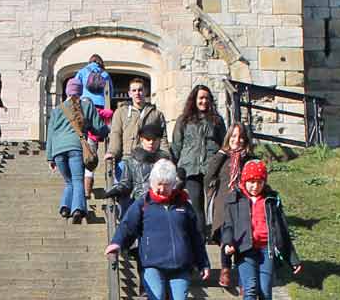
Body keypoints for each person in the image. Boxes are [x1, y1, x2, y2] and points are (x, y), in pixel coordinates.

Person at [106, 159, 210, 300]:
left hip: (180, 266)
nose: (162, 189)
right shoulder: (143, 203)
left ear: (173, 185)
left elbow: (196, 237)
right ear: (152, 183)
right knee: (156, 299)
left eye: (167, 184)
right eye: (158, 184)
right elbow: (128, 226)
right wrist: (117, 243)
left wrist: (203, 263)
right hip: (152, 263)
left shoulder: (184, 205)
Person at [220, 159, 302, 300]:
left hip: (266, 250)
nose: (254, 186)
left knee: (265, 291)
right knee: (250, 288)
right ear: (244, 181)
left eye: (258, 182)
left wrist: (293, 259)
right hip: (245, 251)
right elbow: (228, 226)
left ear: (264, 182)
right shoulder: (235, 199)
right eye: (250, 182)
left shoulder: (272, 200)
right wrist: (229, 243)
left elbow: (282, 229)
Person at [45, 77, 107, 223]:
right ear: (80, 91)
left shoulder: (57, 110)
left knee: (69, 181)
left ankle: (65, 207)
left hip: (58, 150)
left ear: (67, 91)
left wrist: (49, 157)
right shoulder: (86, 105)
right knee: (78, 180)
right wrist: (106, 131)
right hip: (75, 148)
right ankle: (78, 209)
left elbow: (51, 134)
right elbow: (98, 127)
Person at [170, 84, 226, 240]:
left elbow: (224, 143)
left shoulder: (217, 121)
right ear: (194, 100)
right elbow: (176, 144)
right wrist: (174, 166)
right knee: (196, 205)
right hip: (190, 168)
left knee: (214, 204)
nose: (204, 101)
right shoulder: (184, 120)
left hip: (212, 167)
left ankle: (217, 234)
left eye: (207, 98)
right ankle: (200, 237)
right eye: (201, 98)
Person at [205, 122, 254, 289]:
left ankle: (242, 277)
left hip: (242, 202)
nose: (237, 140)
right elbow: (209, 175)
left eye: (240, 137)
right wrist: (221, 153)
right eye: (234, 136)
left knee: (241, 237)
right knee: (226, 234)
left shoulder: (248, 158)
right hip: (224, 201)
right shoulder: (222, 156)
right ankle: (225, 269)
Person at [106, 77, 169, 174]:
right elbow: (115, 134)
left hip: (149, 160)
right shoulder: (120, 113)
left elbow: (163, 137)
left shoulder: (156, 114)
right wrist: (112, 152)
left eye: (140, 90)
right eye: (134, 90)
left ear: (145, 91)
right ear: (129, 93)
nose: (137, 93)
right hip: (126, 159)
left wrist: (165, 156)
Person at [106, 117, 167, 210]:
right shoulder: (132, 160)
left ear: (159, 141)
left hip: (161, 202)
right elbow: (126, 183)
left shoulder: (165, 161)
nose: (151, 142)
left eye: (154, 140)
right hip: (139, 201)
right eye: (148, 139)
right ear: (142, 139)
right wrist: (117, 189)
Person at [76, 55, 113, 204]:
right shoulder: (105, 74)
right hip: (99, 112)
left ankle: (81, 189)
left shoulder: (82, 71)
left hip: (83, 109)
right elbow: (111, 91)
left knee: (80, 150)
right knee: (91, 153)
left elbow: (75, 87)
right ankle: (87, 189)